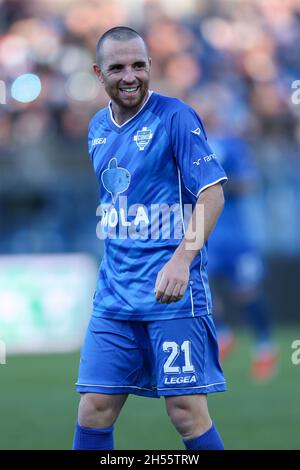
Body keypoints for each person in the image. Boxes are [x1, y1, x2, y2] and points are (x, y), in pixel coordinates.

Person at [72, 26, 228, 451]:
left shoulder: (175, 116)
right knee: (93, 409)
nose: (130, 76)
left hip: (171, 294)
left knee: (185, 410)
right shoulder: (96, 128)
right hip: (114, 297)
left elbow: (212, 195)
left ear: (150, 67)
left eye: (139, 65)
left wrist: (181, 260)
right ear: (97, 72)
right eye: (118, 67)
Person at [207, 133, 278, 381]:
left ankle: (265, 347)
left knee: (247, 293)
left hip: (236, 236)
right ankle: (223, 335)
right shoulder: (186, 141)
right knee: (200, 289)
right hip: (205, 234)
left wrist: (217, 184)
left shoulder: (231, 144)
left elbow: (250, 182)